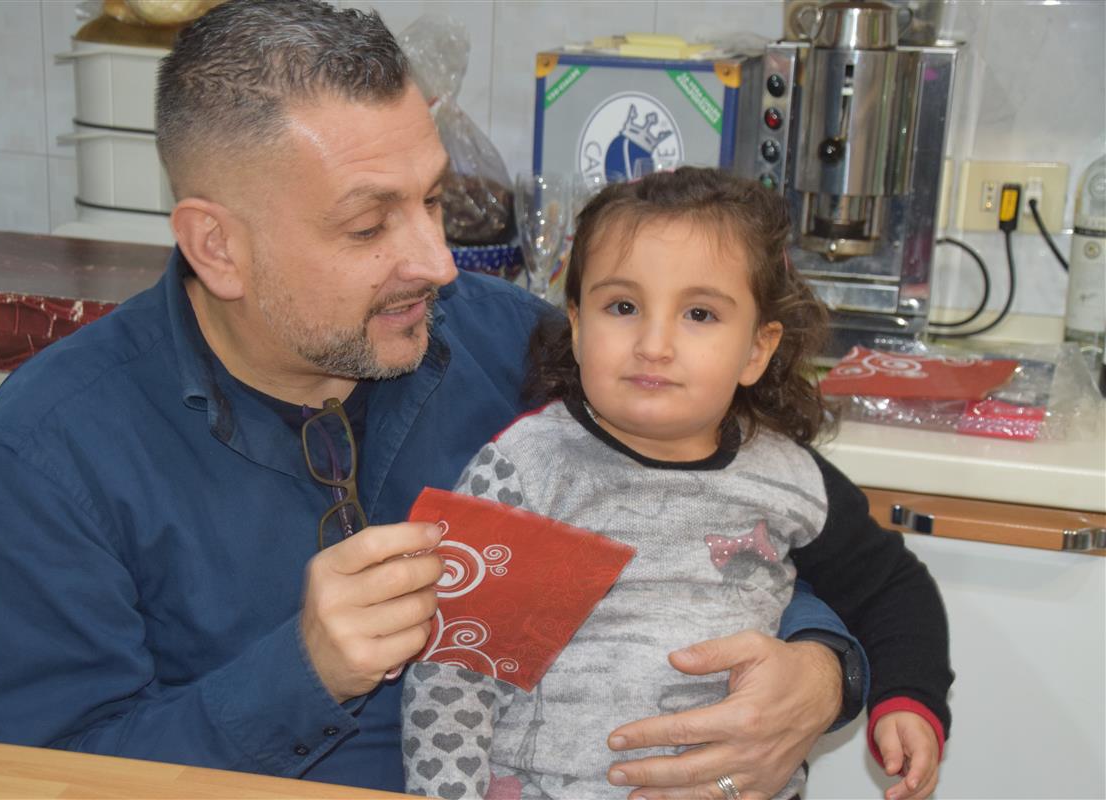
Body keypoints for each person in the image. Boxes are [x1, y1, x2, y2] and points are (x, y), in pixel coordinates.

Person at [0, 2, 864, 796]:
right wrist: (300, 673)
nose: (435, 261)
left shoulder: (516, 348)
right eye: (368, 224)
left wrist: (820, 672)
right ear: (217, 247)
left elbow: (734, 515)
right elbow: (40, 778)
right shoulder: (47, 459)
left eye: (432, 200)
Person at [402, 168, 953, 800]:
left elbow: (891, 587)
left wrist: (908, 698)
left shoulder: (792, 477)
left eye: (699, 313)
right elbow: (454, 676)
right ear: (577, 326)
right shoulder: (525, 470)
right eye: (623, 307)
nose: (654, 344)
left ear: (757, 349)